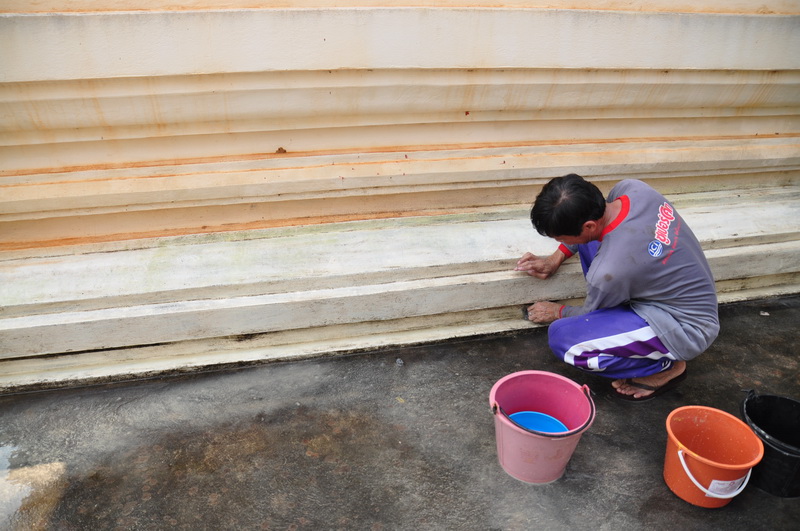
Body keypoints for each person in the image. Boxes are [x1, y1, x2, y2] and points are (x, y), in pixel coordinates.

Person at [515, 174, 719, 401]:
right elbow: (595, 230)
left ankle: (665, 367)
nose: (559, 242)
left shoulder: (608, 272)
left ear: (588, 225)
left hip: (685, 327)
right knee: (594, 242)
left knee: (563, 339)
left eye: (560, 238)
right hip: (676, 291)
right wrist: (555, 259)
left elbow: (590, 316)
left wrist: (558, 312)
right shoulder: (633, 189)